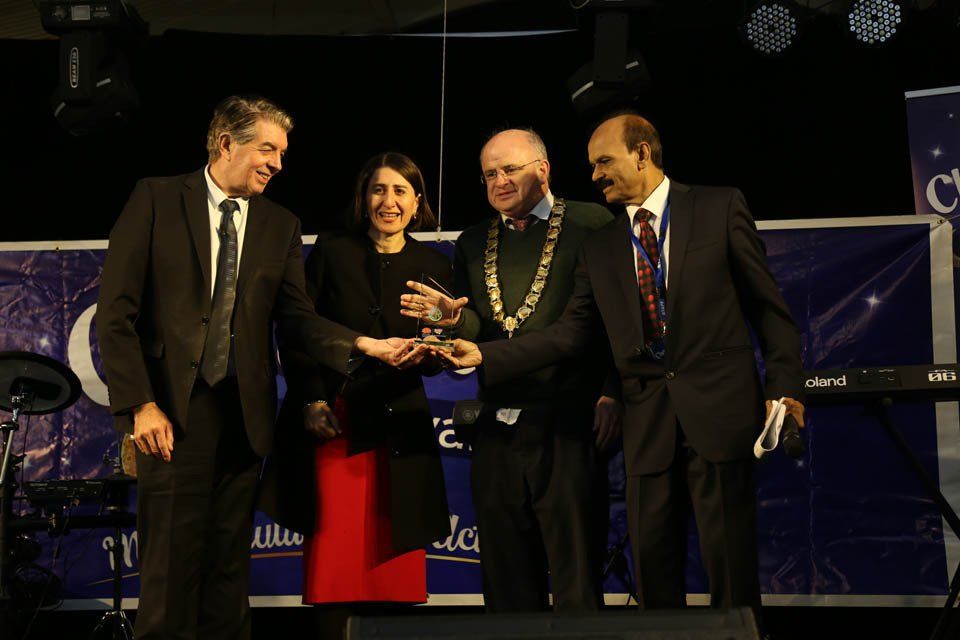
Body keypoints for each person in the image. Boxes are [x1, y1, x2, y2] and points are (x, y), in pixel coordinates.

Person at [434, 112, 805, 620]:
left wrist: (784, 387)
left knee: (730, 568)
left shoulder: (717, 207)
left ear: (642, 153)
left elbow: (767, 307)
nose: (594, 175)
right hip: (647, 419)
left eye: (604, 161)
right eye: (590, 165)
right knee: (653, 566)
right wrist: (485, 353)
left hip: (719, 411)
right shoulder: (602, 243)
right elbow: (573, 332)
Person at [95, 96, 418, 640]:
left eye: (283, 153)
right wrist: (140, 405)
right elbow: (116, 315)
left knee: (227, 572)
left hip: (244, 420)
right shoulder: (155, 199)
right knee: (169, 571)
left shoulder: (279, 223)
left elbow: (296, 319)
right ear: (226, 143)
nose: (277, 163)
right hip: (171, 416)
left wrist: (363, 343)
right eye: (267, 148)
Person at [402, 128, 619, 612]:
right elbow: (480, 323)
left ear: (543, 170)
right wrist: (454, 317)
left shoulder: (593, 223)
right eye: (489, 174)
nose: (498, 181)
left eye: (510, 169)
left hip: (569, 422)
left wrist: (612, 391)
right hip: (495, 426)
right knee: (505, 579)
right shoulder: (474, 240)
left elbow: (613, 322)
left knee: (576, 580)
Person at [262, 152, 452, 635]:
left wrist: (434, 350)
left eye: (400, 192)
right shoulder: (332, 250)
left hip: (399, 429)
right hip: (336, 425)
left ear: (417, 203)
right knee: (335, 571)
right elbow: (298, 330)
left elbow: (442, 347)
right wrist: (311, 401)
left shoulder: (433, 265)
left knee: (394, 570)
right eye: (378, 190)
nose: (388, 202)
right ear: (363, 197)